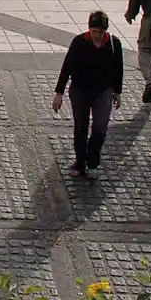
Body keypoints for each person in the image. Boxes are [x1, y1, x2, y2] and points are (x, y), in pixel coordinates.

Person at [52, 11, 123, 178]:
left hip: (103, 92)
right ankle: (79, 162)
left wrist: (118, 92)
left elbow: (118, 69)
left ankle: (92, 161)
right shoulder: (79, 42)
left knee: (100, 129)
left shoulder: (114, 44)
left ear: (106, 30)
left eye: (100, 32)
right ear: (89, 29)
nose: (97, 35)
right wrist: (59, 93)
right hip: (80, 91)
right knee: (81, 127)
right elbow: (66, 67)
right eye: (94, 31)